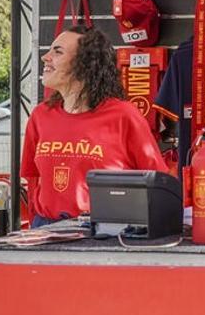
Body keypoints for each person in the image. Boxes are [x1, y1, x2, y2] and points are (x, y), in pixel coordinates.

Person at [21, 24, 168, 228]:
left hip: (103, 231)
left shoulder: (124, 116)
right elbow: (33, 180)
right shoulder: (40, 115)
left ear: (85, 64)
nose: (45, 57)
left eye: (58, 52)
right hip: (45, 228)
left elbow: (158, 182)